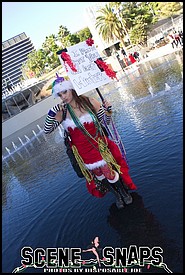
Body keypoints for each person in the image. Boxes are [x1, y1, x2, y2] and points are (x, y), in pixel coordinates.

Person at [44, 77, 137, 209]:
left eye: (64, 92)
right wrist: (51, 112)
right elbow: (47, 130)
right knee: (98, 174)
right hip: (83, 152)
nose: (63, 97)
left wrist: (108, 110)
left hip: (98, 146)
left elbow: (105, 121)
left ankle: (122, 191)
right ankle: (115, 194)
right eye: (59, 95)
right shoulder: (62, 112)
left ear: (71, 88)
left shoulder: (90, 102)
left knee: (108, 172)